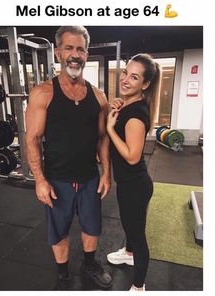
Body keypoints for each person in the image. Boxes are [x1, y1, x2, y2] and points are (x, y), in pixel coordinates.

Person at [25, 26, 112, 290]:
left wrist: (106, 173)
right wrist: (39, 180)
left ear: (87, 54)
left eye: (81, 49)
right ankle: (62, 272)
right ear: (59, 53)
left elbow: (102, 139)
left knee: (92, 226)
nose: (75, 55)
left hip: (89, 177)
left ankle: (88, 263)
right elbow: (32, 139)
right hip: (57, 179)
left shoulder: (98, 96)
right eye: (69, 48)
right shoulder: (43, 93)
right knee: (59, 230)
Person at [106, 53, 160, 291]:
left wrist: (110, 129)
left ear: (145, 84)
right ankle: (128, 253)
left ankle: (138, 287)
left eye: (134, 77)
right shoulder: (129, 105)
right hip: (130, 182)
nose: (125, 79)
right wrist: (117, 105)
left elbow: (132, 156)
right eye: (126, 72)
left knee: (137, 235)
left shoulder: (137, 115)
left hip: (135, 185)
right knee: (131, 226)